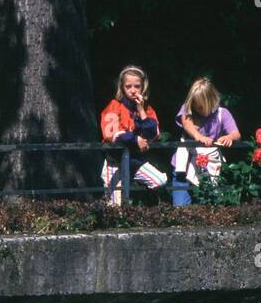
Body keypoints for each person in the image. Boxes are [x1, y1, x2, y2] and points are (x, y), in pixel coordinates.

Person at [100, 65, 167, 204]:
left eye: (137, 86)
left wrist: (141, 110)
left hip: (135, 161)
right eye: (128, 86)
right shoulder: (114, 105)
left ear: (143, 87)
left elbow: (153, 133)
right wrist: (135, 138)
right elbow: (110, 133)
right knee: (114, 206)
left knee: (159, 180)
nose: (133, 90)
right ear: (122, 87)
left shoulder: (147, 109)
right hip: (115, 161)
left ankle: (149, 206)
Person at [170, 77, 240, 205]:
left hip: (209, 169)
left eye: (201, 107)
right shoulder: (187, 109)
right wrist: (199, 136)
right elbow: (187, 124)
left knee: (209, 207)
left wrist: (228, 137)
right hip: (184, 168)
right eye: (196, 106)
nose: (198, 110)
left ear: (211, 101)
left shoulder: (222, 113)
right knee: (180, 208)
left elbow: (236, 133)